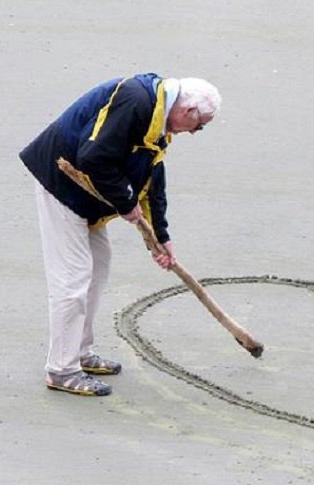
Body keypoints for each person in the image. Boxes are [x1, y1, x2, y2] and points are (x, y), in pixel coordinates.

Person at [20, 73, 221, 396]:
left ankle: (80, 352)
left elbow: (152, 177)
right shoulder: (136, 102)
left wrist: (160, 236)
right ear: (188, 111)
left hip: (88, 196)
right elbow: (92, 157)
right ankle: (61, 369)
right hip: (61, 184)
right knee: (72, 279)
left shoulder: (159, 121)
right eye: (200, 126)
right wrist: (126, 204)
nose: (195, 133)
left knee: (99, 267)